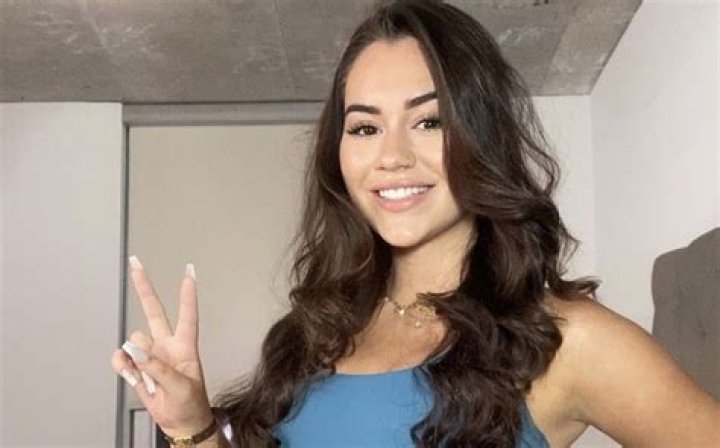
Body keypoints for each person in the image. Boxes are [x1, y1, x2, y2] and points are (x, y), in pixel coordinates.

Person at [111, 0, 720, 446]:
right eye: (365, 127)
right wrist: (191, 426)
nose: (392, 156)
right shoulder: (313, 332)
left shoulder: (567, 339)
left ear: (482, 136)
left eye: (430, 121)